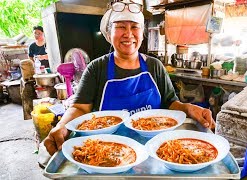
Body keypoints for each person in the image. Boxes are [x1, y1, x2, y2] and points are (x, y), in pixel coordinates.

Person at [44, 0, 215, 155]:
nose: (128, 34)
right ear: (109, 32)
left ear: (142, 32)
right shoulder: (96, 69)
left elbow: (170, 103)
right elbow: (80, 109)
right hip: (109, 151)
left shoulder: (154, 66)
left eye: (134, 27)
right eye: (120, 27)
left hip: (157, 149)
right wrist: (62, 127)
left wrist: (188, 108)